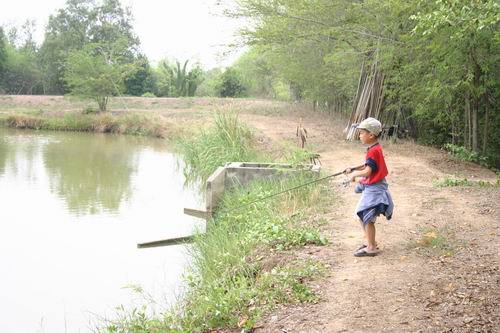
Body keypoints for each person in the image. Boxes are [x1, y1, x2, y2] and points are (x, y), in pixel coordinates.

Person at [344, 117, 394, 257]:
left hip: (375, 189)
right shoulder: (374, 147)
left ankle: (371, 247)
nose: (359, 135)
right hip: (375, 187)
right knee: (363, 215)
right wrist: (353, 168)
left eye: (361, 133)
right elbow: (369, 165)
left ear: (371, 135)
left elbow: (368, 171)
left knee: (366, 216)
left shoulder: (373, 150)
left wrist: (354, 174)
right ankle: (370, 242)